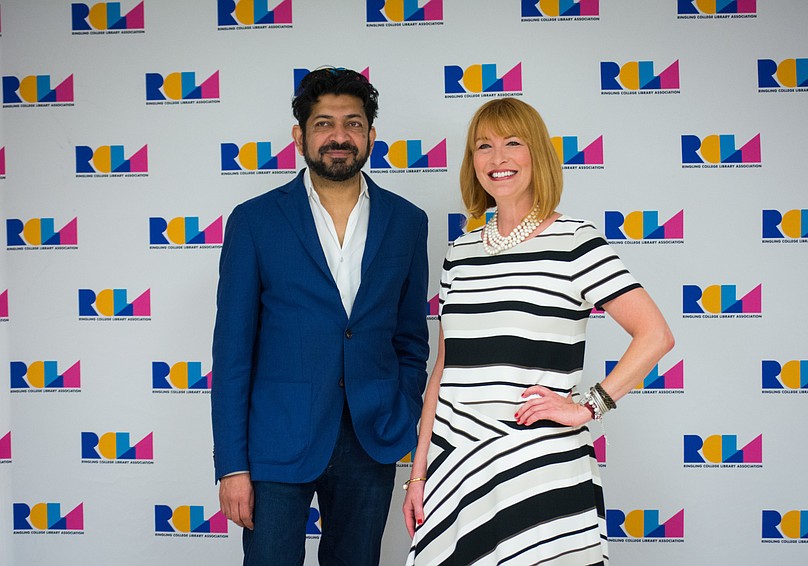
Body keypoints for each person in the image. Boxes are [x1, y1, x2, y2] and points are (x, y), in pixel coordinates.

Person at [402, 97, 674, 565]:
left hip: (538, 462)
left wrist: (588, 406)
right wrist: (419, 472)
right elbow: (444, 368)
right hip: (456, 463)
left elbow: (655, 335)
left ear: (538, 156)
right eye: (482, 146)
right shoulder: (460, 254)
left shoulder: (575, 240)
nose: (497, 158)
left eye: (513, 143)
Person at [211, 67, 429, 565]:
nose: (339, 136)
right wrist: (232, 465)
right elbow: (232, 353)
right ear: (300, 136)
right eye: (324, 123)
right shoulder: (255, 220)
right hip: (275, 442)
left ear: (371, 136)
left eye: (352, 124)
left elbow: (411, 338)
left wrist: (401, 409)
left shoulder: (407, 221)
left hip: (370, 438)